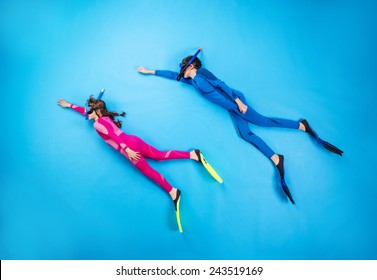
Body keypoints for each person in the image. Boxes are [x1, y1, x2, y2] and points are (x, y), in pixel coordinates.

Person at [138, 55, 343, 204]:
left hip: (235, 102)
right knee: (245, 134)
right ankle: (276, 158)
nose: (182, 70)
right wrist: (150, 71)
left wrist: (238, 102)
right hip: (231, 107)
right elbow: (172, 75)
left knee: (263, 122)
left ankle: (302, 126)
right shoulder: (192, 82)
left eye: (185, 67)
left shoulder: (202, 73)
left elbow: (222, 85)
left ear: (192, 65)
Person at [57, 95, 219, 232]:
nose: (87, 113)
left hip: (128, 148)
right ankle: (193, 155)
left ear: (97, 111)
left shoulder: (98, 123)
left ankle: (173, 192)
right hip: (135, 140)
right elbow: (86, 113)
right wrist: (69, 105)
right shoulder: (104, 118)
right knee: (160, 156)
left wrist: (126, 150)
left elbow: (115, 136)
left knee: (148, 171)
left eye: (90, 110)